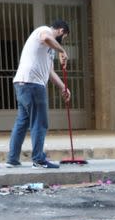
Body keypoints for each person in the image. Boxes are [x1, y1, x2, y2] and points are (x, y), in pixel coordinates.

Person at [6, 20, 72, 169]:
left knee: (22, 122)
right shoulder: (45, 31)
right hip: (33, 85)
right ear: (61, 31)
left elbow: (49, 72)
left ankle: (12, 159)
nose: (62, 41)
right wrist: (62, 50)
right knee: (40, 123)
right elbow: (45, 38)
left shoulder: (50, 49)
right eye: (64, 37)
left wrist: (64, 87)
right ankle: (39, 160)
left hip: (24, 84)